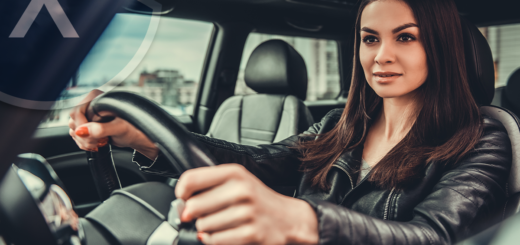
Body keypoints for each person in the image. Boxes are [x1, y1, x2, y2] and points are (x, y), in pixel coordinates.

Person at [69, 0, 512, 244]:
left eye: (406, 38)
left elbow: (432, 237)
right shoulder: (341, 124)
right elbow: (258, 162)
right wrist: (145, 138)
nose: (382, 56)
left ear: (440, 48)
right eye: (370, 38)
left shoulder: (483, 137)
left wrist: (304, 221)